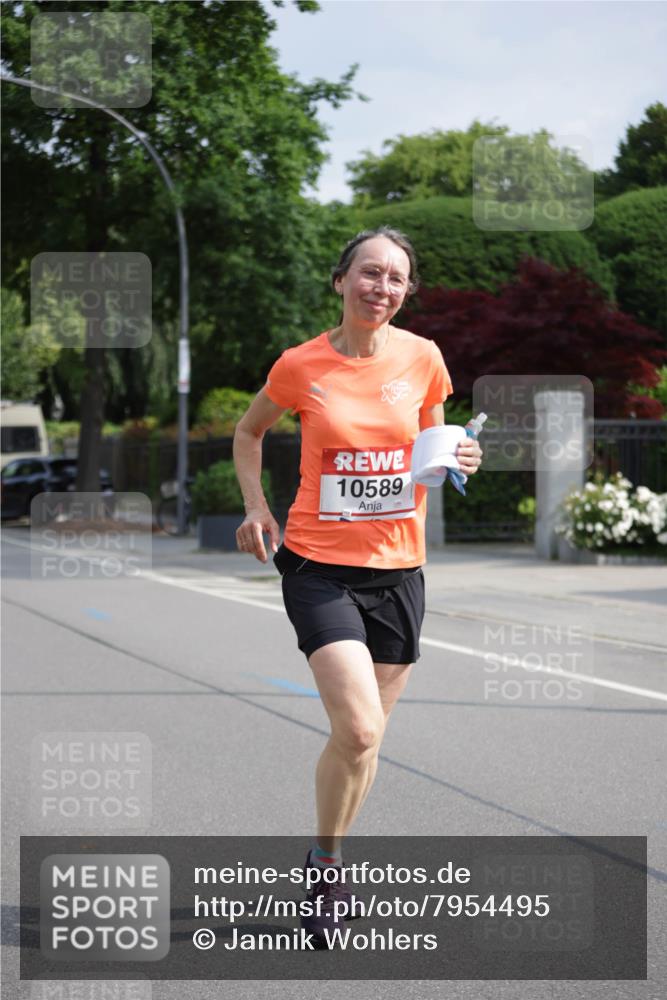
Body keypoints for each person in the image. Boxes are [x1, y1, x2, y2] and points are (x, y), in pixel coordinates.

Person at [233, 226, 482, 947]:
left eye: (395, 279)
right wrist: (256, 506)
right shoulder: (299, 365)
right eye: (369, 274)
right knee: (361, 727)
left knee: (360, 746)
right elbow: (249, 434)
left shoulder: (423, 358)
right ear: (340, 281)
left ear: (406, 293)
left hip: (400, 572)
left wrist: (462, 453)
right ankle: (328, 863)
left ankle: (325, 859)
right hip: (318, 568)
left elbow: (437, 451)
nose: (381, 288)